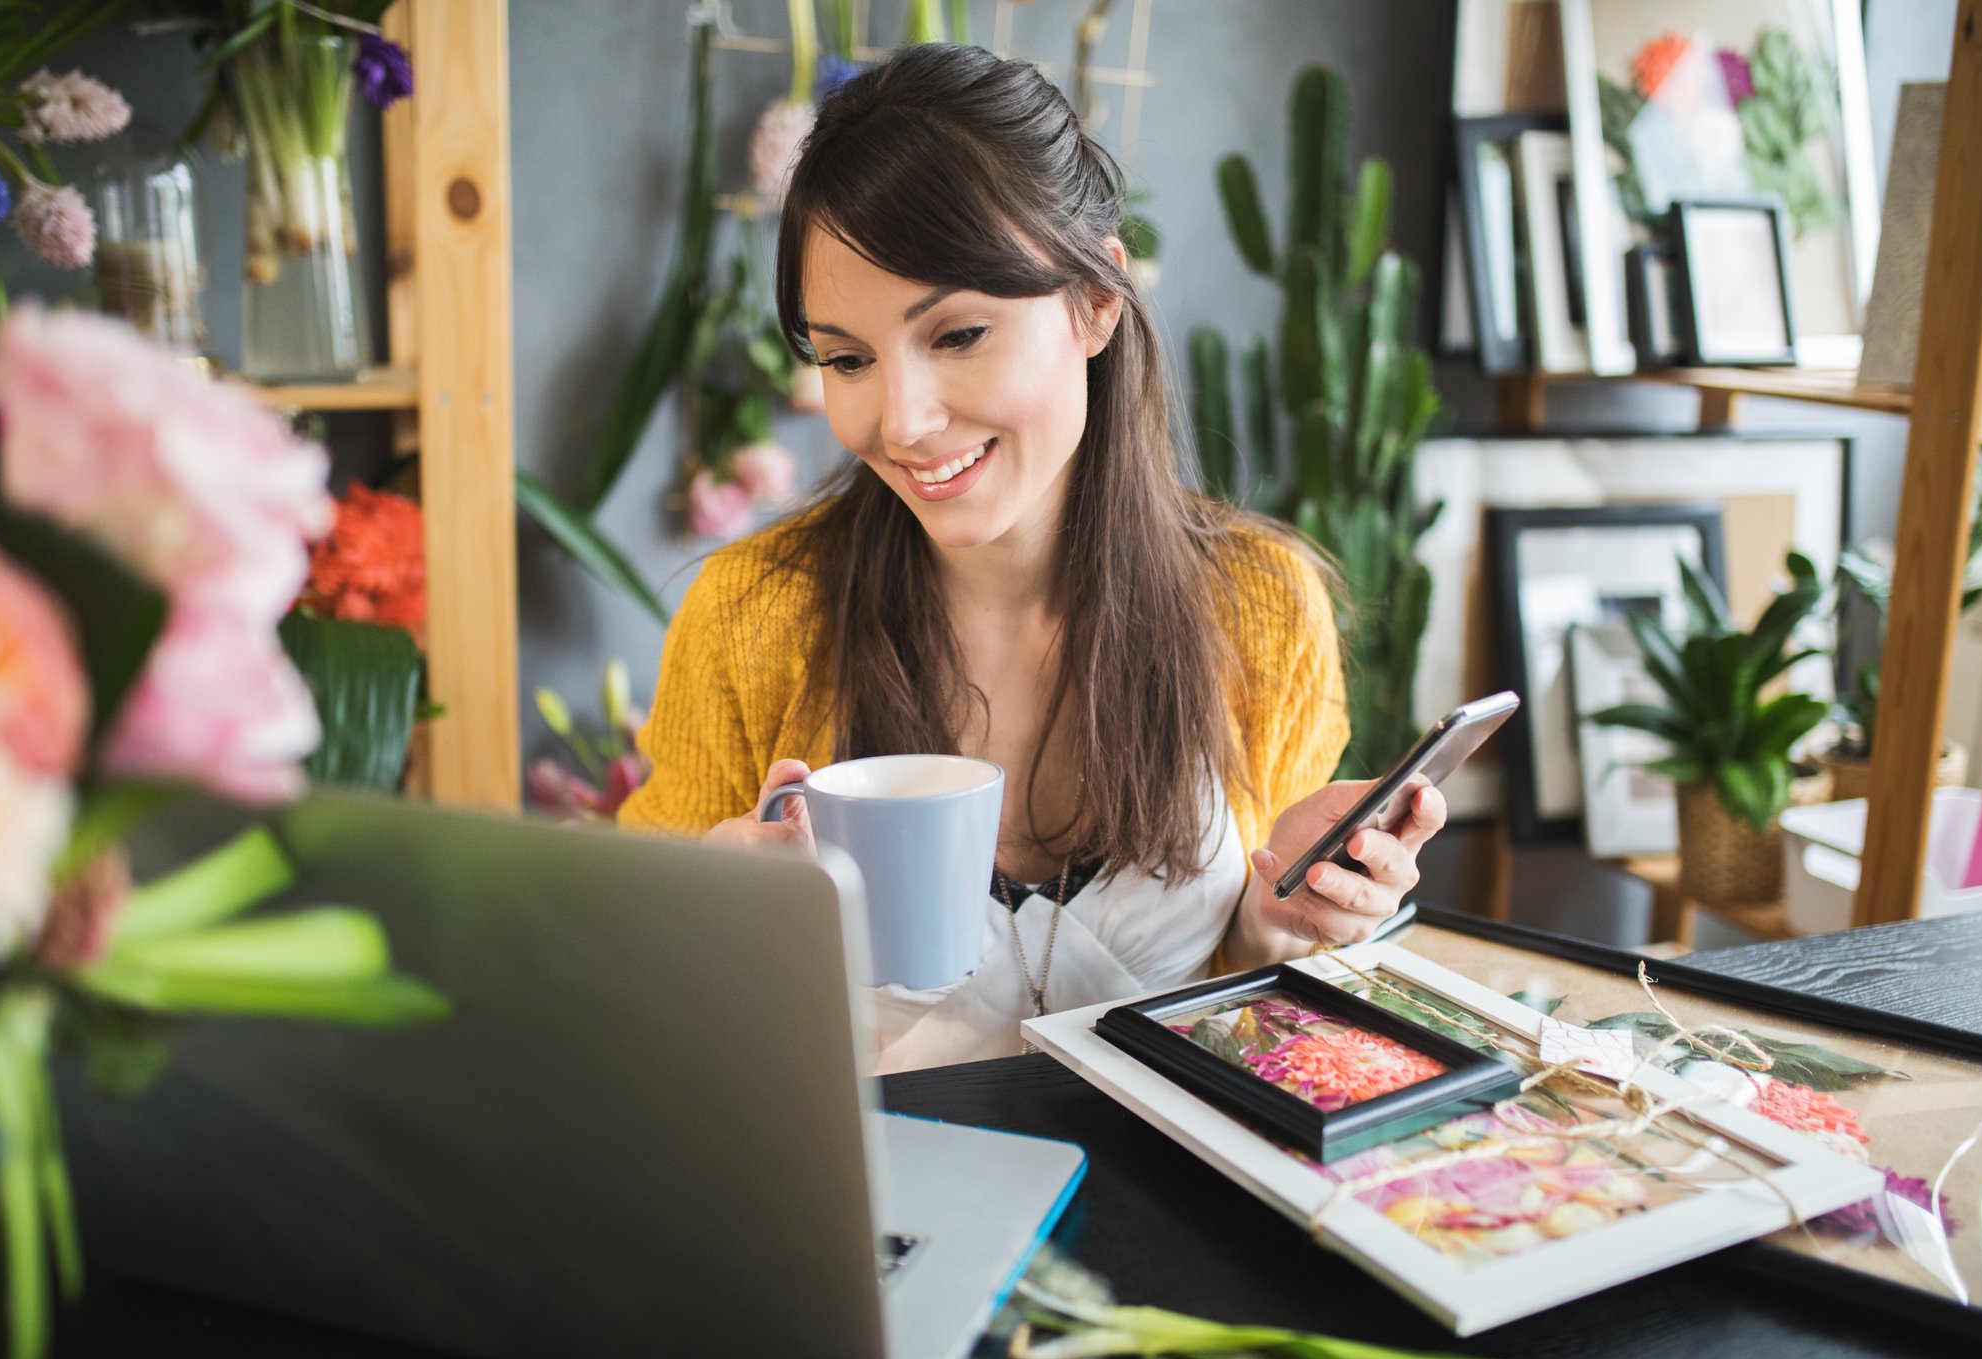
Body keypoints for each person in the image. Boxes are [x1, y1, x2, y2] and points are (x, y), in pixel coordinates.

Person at [618, 43, 1445, 1070]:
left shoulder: (1260, 608)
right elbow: (645, 1002)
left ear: (1098, 301)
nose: (905, 420)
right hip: (880, 1214)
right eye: (846, 358)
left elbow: (1244, 1011)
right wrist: (709, 909)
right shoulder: (755, 614)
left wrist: (1281, 926)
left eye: (959, 334)